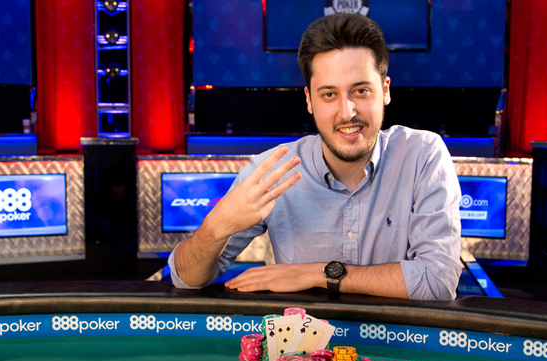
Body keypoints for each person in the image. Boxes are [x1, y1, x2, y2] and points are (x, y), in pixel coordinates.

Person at [169, 12, 461, 301]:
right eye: (329, 95)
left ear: (385, 91)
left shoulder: (423, 155)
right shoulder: (272, 171)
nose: (347, 113)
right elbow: (186, 280)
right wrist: (216, 226)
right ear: (309, 99)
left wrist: (317, 274)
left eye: (361, 90)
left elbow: (438, 282)